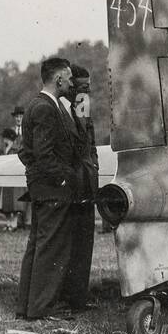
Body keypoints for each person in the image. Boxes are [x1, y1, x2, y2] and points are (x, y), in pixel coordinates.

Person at [16, 57, 79, 320]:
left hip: (43, 188)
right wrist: (61, 178)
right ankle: (43, 307)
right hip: (53, 190)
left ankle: (28, 306)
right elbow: (42, 153)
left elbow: (25, 152)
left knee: (38, 246)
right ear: (59, 79)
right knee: (50, 248)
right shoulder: (45, 108)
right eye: (69, 78)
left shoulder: (36, 106)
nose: (72, 82)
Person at [62, 65, 101, 309]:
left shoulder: (83, 106)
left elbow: (91, 141)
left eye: (88, 86)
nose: (87, 90)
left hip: (87, 182)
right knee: (68, 241)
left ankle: (78, 295)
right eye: (82, 86)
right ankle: (66, 295)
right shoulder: (63, 110)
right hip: (71, 184)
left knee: (85, 242)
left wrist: (94, 165)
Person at [0, 127, 25, 230]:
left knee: (13, 204)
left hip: (12, 179)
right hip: (4, 179)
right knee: (3, 204)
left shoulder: (16, 149)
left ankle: (14, 223)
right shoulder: (2, 149)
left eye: (5, 138)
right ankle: (8, 222)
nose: (3, 140)